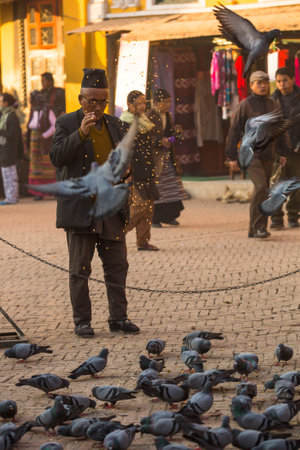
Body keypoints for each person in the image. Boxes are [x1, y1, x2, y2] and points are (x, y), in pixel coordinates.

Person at [50, 68, 139, 338]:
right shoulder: (67, 123)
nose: (98, 107)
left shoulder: (116, 124)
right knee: (80, 269)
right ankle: (82, 321)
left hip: (110, 207)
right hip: (81, 208)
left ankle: (119, 318)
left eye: (103, 101)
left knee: (117, 265)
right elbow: (57, 157)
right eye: (92, 101)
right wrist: (79, 134)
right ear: (80, 99)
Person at [226, 71, 287, 239]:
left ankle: (255, 229)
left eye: (265, 82)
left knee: (263, 190)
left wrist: (283, 152)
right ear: (251, 85)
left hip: (269, 153)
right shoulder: (245, 105)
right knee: (260, 187)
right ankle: (258, 227)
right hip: (251, 154)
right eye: (259, 82)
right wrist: (231, 156)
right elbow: (234, 131)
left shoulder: (273, 104)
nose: (263, 85)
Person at [120, 90, 159, 251]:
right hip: (134, 170)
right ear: (130, 104)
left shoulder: (145, 122)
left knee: (149, 207)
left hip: (147, 167)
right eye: (139, 103)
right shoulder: (124, 123)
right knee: (139, 206)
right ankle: (116, 234)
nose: (142, 106)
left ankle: (143, 241)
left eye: (144, 102)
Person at [147, 88, 187, 228]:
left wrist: (177, 133)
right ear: (157, 102)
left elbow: (172, 137)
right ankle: (155, 219)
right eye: (166, 102)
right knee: (159, 189)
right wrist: (159, 141)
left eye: (170, 101)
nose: (168, 104)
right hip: (155, 158)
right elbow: (144, 138)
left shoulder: (167, 115)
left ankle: (169, 216)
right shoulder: (149, 116)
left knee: (171, 187)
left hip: (167, 157)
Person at [270, 67, 300, 229]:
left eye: (285, 80)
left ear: (293, 79)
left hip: (297, 149)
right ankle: (276, 217)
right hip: (278, 151)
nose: (282, 84)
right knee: (276, 183)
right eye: (279, 81)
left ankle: (293, 215)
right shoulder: (271, 100)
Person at [27, 90, 56, 200]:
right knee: (35, 168)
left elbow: (54, 125)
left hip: (44, 143)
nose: (30, 102)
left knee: (46, 168)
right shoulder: (32, 111)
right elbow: (30, 125)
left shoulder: (47, 111)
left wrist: (44, 135)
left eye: (32, 100)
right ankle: (38, 192)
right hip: (34, 143)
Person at [0, 93, 23, 205]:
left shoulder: (11, 116)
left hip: (10, 149)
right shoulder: (4, 115)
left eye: (1, 101)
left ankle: (12, 197)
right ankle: (9, 196)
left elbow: (13, 135)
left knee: (10, 174)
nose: (0, 104)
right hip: (4, 149)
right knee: (6, 174)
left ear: (6, 103)